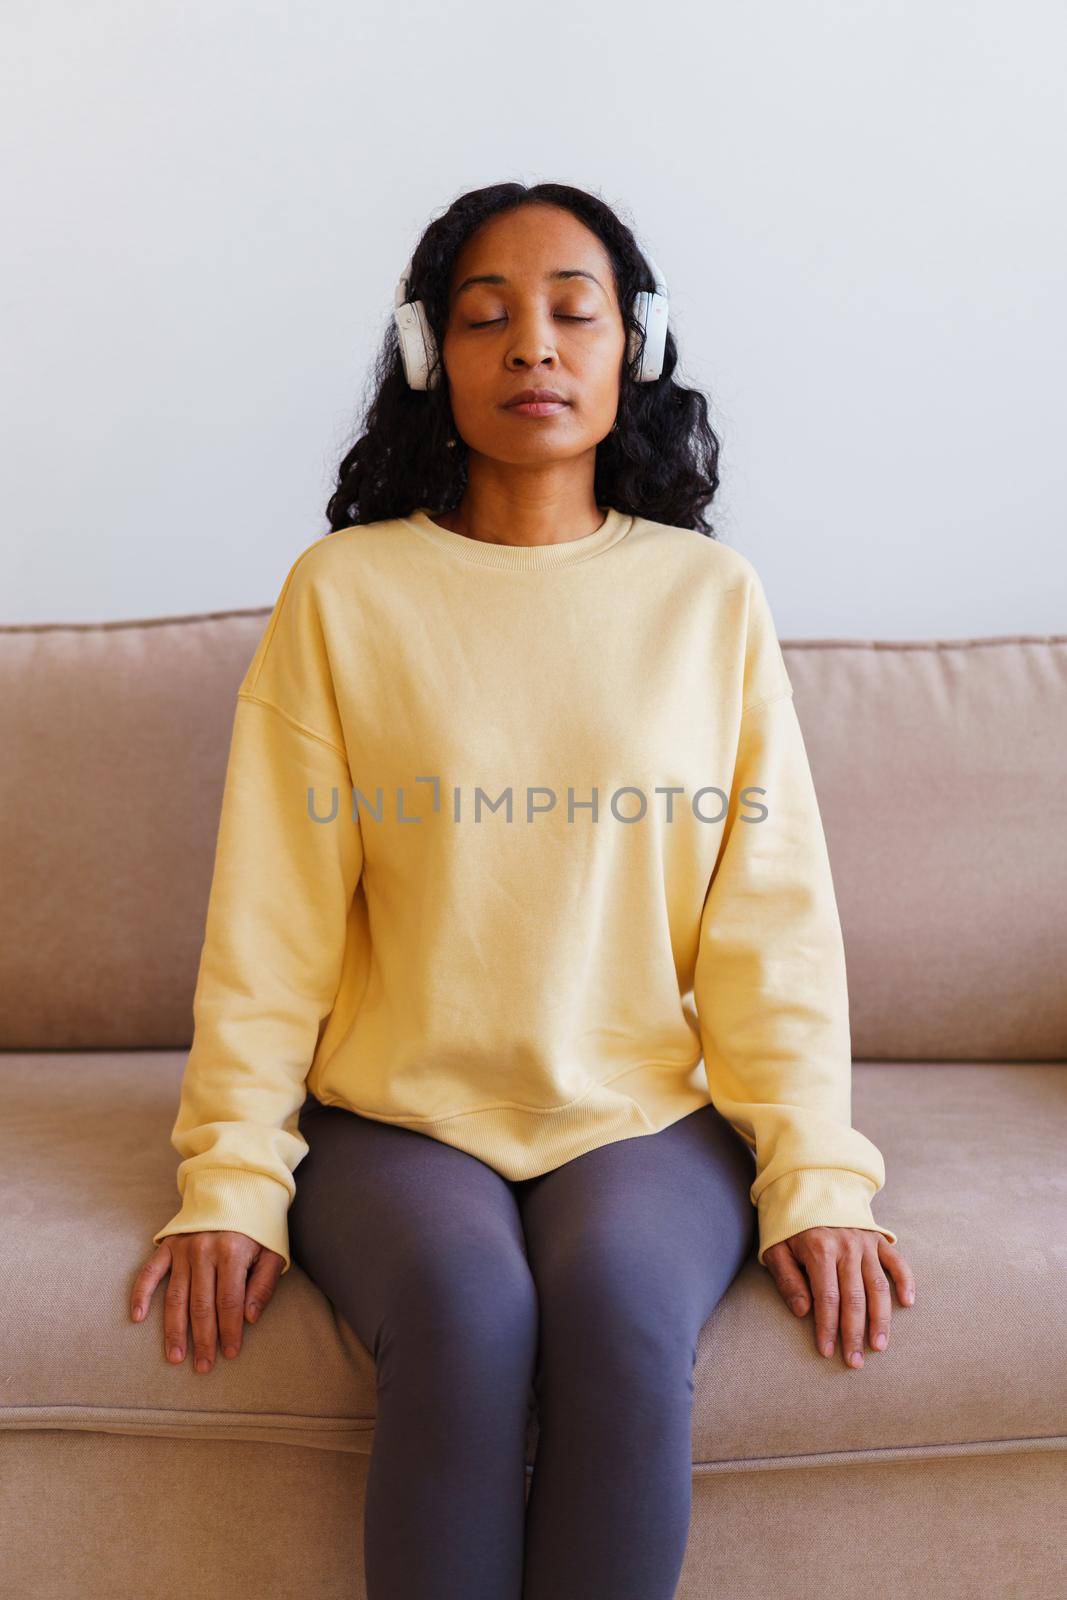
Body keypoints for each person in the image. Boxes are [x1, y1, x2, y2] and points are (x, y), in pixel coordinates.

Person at [131, 179, 914, 1599]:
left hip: (640, 1112)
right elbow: (271, 927)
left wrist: (817, 1177)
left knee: (618, 1313)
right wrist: (230, 1184)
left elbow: (770, 923)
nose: (535, 348)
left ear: (636, 348)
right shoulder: (344, 595)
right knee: (468, 1309)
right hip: (396, 1115)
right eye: (487, 318)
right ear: (434, 357)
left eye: (574, 313)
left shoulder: (707, 599)